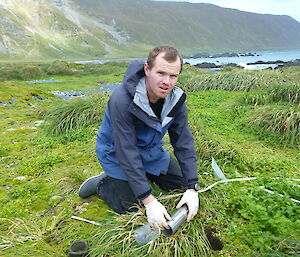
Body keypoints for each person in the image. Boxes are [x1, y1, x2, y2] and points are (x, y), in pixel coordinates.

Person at [79, 45, 200, 229]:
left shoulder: (176, 100)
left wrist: (192, 187)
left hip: (151, 152)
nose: (166, 82)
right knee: (134, 211)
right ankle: (103, 184)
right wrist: (149, 200)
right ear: (147, 69)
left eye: (173, 76)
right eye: (161, 73)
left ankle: (142, 176)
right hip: (117, 154)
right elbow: (126, 151)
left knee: (181, 185)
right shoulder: (121, 99)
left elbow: (183, 141)